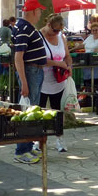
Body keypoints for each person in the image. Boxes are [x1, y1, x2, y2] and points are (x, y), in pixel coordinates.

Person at [12, 0, 48, 164]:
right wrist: (24, 83)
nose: (41, 14)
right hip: (31, 71)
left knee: (32, 110)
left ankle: (27, 146)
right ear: (34, 11)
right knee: (28, 112)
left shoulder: (26, 27)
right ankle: (21, 150)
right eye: (40, 10)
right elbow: (18, 57)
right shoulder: (24, 28)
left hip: (35, 71)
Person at [39, 14, 72, 153]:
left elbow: (67, 55)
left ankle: (59, 139)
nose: (57, 33)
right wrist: (57, 63)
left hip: (58, 80)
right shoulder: (39, 37)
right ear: (48, 25)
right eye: (55, 30)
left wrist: (69, 66)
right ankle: (38, 141)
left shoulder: (61, 37)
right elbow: (39, 59)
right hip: (41, 80)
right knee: (39, 111)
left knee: (57, 110)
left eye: (59, 31)